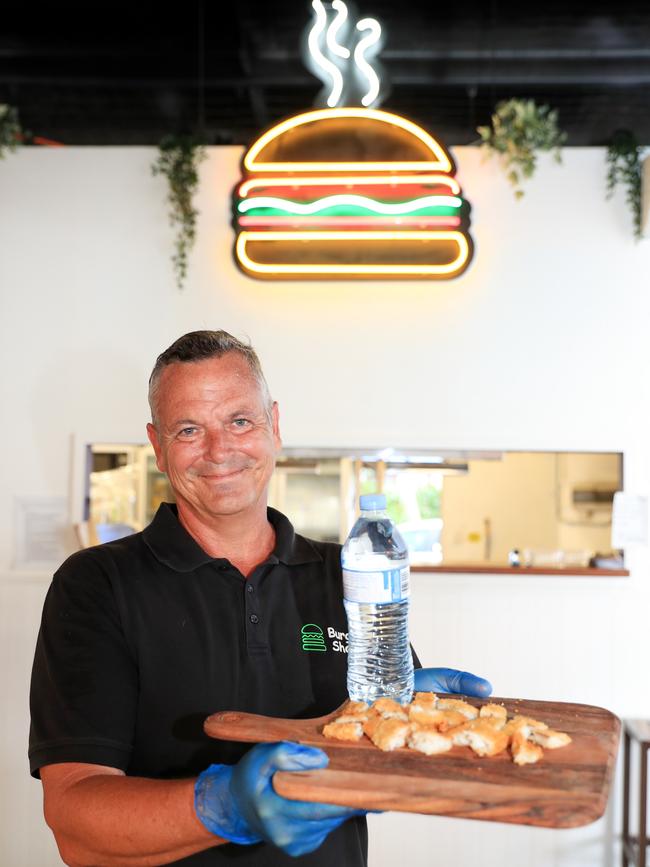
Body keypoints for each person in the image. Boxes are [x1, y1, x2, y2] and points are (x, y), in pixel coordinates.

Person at [29, 330, 492, 866]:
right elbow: (74, 822)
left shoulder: (349, 574)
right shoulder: (96, 584)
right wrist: (223, 807)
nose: (219, 450)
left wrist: (427, 730)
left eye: (240, 421)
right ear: (157, 447)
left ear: (274, 425)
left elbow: (394, 741)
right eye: (188, 430)